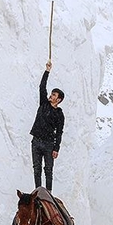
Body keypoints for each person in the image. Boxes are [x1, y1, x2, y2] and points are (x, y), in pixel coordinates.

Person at [30, 60, 64, 192]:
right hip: (36, 141)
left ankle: (48, 193)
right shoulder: (43, 103)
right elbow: (42, 87)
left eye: (54, 95)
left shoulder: (60, 115)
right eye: (52, 93)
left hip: (49, 144)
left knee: (48, 170)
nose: (51, 95)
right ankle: (38, 191)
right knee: (36, 168)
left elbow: (59, 132)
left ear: (59, 99)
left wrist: (56, 148)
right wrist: (47, 71)